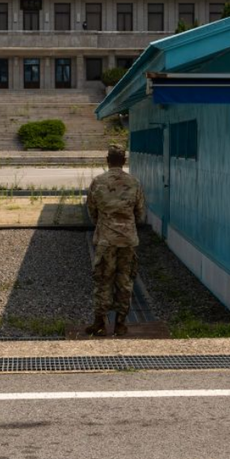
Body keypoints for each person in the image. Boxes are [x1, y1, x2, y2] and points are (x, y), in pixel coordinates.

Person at [84, 144, 146, 337]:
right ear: (124, 161)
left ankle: (100, 323)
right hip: (127, 240)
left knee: (104, 279)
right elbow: (140, 214)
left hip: (106, 240)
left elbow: (92, 211)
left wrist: (103, 224)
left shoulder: (98, 182)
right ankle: (120, 323)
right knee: (125, 280)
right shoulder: (134, 183)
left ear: (107, 160)